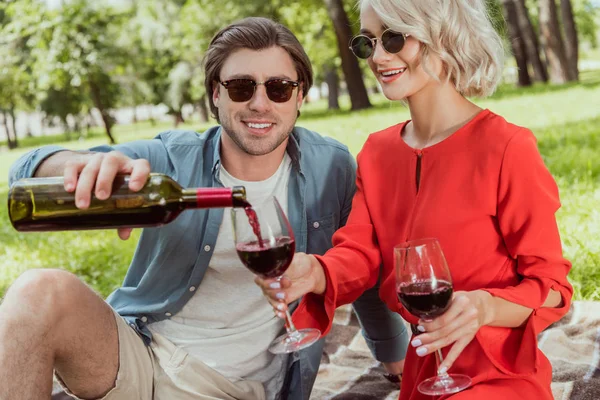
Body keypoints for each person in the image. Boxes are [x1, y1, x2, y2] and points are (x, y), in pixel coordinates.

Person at [1, 17, 409, 400]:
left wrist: (393, 357)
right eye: (240, 87)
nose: (260, 104)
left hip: (244, 388)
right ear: (216, 93)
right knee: (38, 291)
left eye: (279, 88)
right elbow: (26, 168)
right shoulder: (172, 160)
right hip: (140, 363)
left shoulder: (331, 167)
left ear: (299, 96)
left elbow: (358, 261)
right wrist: (78, 166)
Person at [257, 1, 573, 399]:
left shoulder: (507, 147)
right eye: (367, 42)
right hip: (424, 369)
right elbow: (360, 253)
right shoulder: (376, 152)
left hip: (500, 373)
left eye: (393, 37)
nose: (378, 56)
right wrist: (315, 272)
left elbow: (552, 287)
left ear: (442, 35)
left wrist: (485, 308)